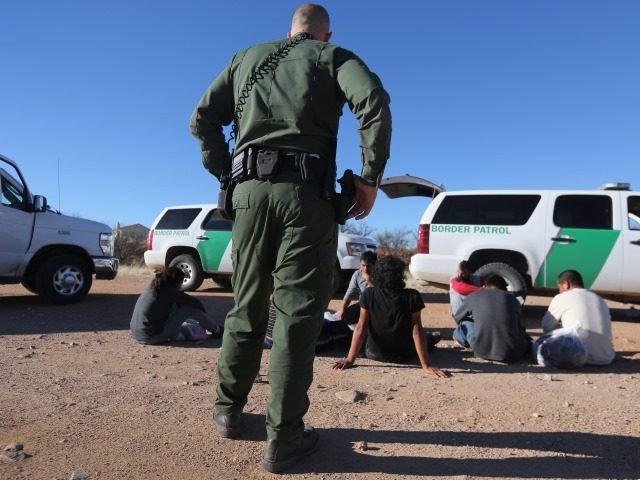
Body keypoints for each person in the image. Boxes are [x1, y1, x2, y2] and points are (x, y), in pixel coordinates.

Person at [189, 3, 391, 474]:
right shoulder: (334, 57)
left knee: (247, 303)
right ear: (325, 34)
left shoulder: (246, 57)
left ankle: (228, 411)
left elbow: (201, 119)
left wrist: (227, 171)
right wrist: (369, 176)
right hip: (306, 198)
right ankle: (284, 438)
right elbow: (373, 103)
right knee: (297, 313)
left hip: (248, 198)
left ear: (289, 32)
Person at [332, 255, 446, 378]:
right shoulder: (413, 296)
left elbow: (361, 327)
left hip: (374, 353)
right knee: (425, 338)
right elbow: (416, 331)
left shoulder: (369, 294)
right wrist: (426, 365)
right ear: (400, 275)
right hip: (404, 355)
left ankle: (431, 338)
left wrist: (350, 359)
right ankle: (431, 339)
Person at [538, 269, 615, 366]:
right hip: (605, 358)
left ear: (565, 284)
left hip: (574, 357)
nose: (559, 291)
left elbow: (546, 326)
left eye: (559, 287)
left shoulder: (562, 297)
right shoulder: (600, 299)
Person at [130, 267, 222, 345]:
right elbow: (195, 303)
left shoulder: (154, 286)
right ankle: (217, 330)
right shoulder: (169, 291)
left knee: (176, 306)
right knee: (189, 309)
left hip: (136, 334)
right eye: (181, 282)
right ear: (177, 281)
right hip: (151, 337)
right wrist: (203, 319)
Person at [453, 275, 531, 363]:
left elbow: (458, 317)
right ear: (505, 288)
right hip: (512, 353)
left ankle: (461, 341)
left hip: (481, 351)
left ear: (484, 286)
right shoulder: (513, 300)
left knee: (465, 322)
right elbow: (518, 326)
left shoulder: (475, 296)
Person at [335, 250, 377, 325]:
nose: (365, 269)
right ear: (360, 264)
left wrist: (369, 280)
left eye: (369, 266)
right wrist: (342, 309)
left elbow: (379, 294)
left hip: (377, 306)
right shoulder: (357, 274)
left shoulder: (380, 275)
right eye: (363, 265)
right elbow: (349, 293)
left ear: (375, 265)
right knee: (346, 316)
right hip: (363, 305)